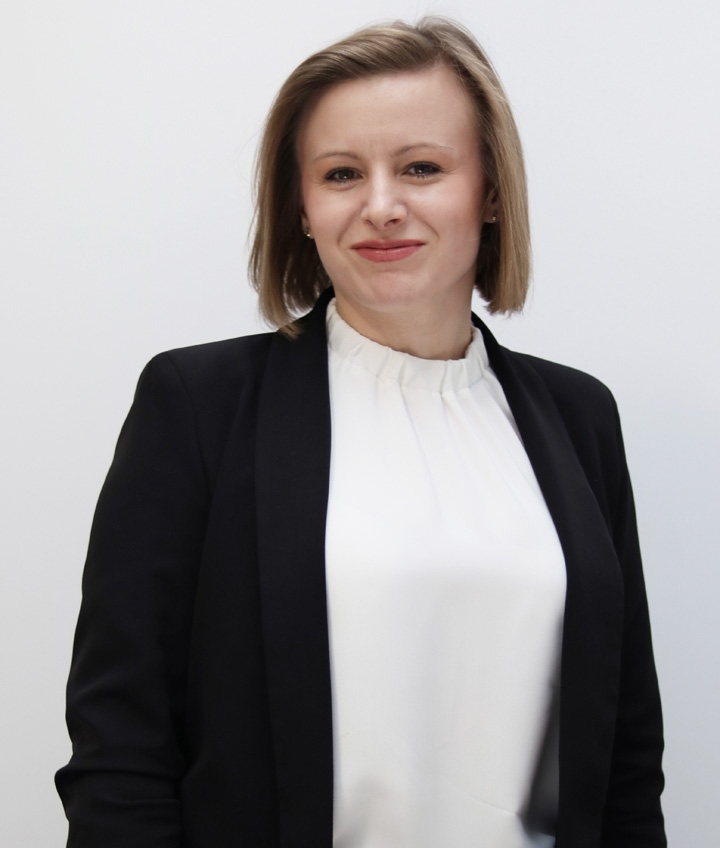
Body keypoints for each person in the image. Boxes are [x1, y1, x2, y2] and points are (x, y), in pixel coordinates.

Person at [55, 17, 666, 848]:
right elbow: (121, 748)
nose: (381, 207)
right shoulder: (198, 408)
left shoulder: (579, 418)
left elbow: (625, 758)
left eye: (422, 167)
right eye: (341, 174)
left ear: (490, 192)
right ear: (303, 208)